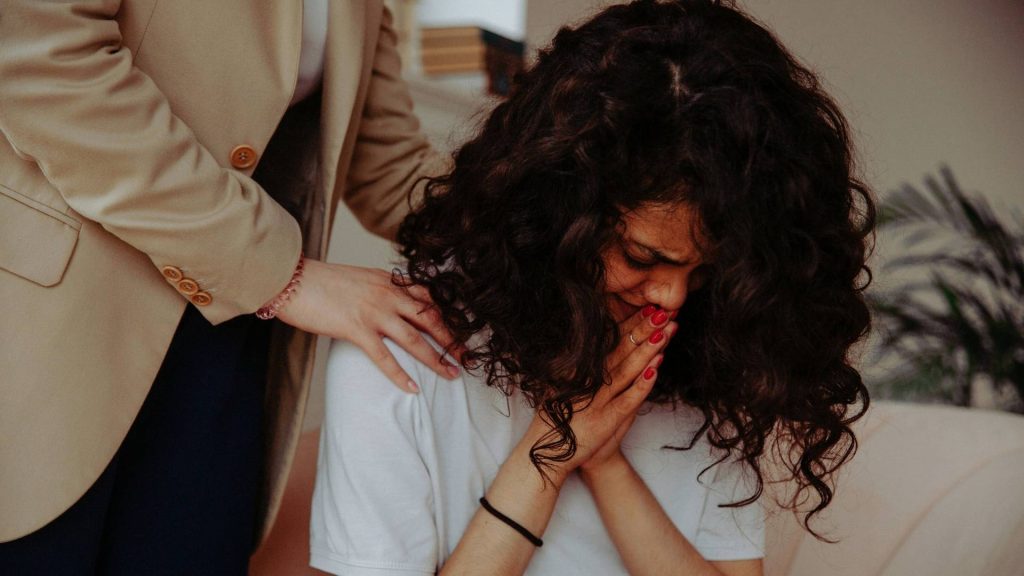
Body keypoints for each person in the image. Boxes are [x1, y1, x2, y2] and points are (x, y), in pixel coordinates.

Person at [311, 0, 875, 574]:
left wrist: (606, 464)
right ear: (559, 213)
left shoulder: (710, 355)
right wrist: (551, 451)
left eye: (704, 273)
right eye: (642, 257)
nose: (672, 297)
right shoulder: (402, 350)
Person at [0, 1, 459, 574]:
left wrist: (550, 213)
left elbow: (392, 166)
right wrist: (283, 276)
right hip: (59, 317)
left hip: (226, 336)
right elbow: (39, 56)